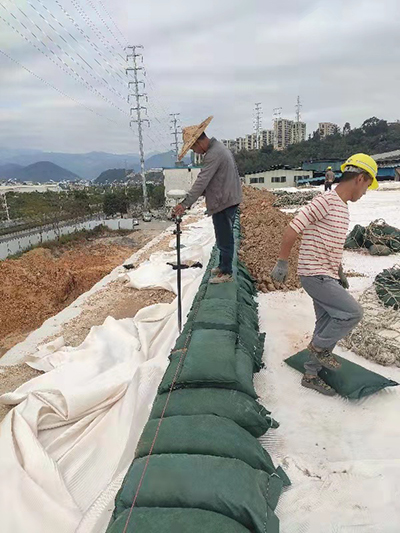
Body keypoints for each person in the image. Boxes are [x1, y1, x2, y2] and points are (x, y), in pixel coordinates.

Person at [271, 153, 378, 396]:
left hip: (326, 273)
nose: (365, 193)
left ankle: (311, 374)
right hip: (314, 274)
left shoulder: (342, 208)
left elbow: (330, 243)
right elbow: (292, 228)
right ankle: (319, 348)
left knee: (326, 322)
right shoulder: (325, 201)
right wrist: (282, 262)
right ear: (360, 179)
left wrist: (338, 270)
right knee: (352, 313)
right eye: (367, 187)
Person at [172, 116, 242, 283]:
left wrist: (185, 203)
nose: (194, 152)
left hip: (224, 201)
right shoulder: (218, 149)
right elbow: (211, 181)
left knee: (225, 238)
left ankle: (226, 272)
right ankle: (223, 266)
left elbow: (202, 180)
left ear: (198, 143)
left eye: (193, 148)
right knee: (222, 236)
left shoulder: (213, 154)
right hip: (227, 198)